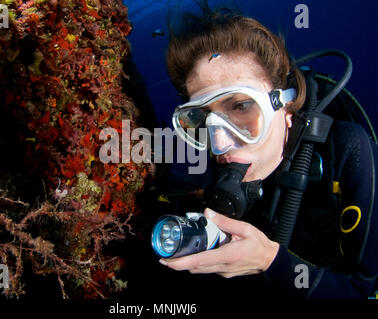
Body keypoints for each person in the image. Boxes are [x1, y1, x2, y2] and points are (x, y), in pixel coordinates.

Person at [156, 4, 378, 298]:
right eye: (198, 119)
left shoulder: (349, 151)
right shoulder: (212, 167)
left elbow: (364, 291)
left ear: (285, 106)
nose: (220, 143)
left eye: (242, 106)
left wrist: (271, 262)